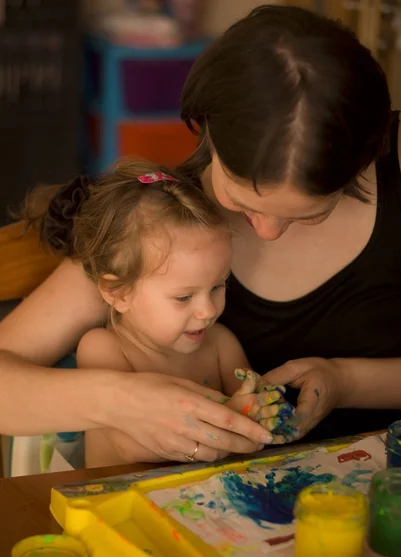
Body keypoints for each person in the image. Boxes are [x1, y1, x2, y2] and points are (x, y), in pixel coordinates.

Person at [1, 5, 401, 461]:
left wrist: (348, 381)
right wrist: (122, 402)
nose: (268, 233)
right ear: (207, 132)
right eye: (242, 202)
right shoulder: (155, 227)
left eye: (311, 213)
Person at [21, 159, 292, 466]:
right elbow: (132, 448)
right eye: (184, 297)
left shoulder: (220, 343)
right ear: (118, 293)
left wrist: (259, 409)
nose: (207, 311)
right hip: (117, 503)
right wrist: (233, 418)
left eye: (218, 286)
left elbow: (256, 404)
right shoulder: (104, 348)